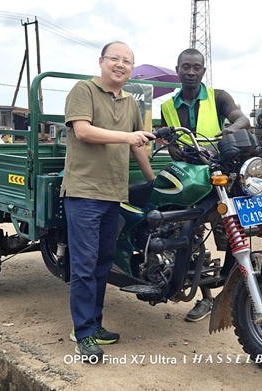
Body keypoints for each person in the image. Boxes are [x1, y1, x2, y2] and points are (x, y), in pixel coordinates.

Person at [63, 41, 156, 361]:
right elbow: (83, 132)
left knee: (103, 263)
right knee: (85, 265)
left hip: (114, 193)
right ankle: (83, 333)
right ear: (101, 61)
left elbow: (138, 146)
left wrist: (152, 180)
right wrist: (129, 137)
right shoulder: (83, 90)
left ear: (132, 68)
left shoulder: (131, 101)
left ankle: (95, 324)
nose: (120, 64)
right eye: (114, 59)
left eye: (127, 61)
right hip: (84, 192)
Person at [159, 48, 251, 322]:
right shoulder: (167, 107)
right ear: (177, 70)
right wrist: (174, 149)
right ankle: (207, 298)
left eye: (196, 67)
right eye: (185, 67)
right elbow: (170, 144)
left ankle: (235, 292)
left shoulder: (218, 97)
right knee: (191, 233)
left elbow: (242, 118)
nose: (190, 72)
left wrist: (232, 130)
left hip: (222, 174)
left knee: (233, 234)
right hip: (190, 178)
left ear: (203, 71)